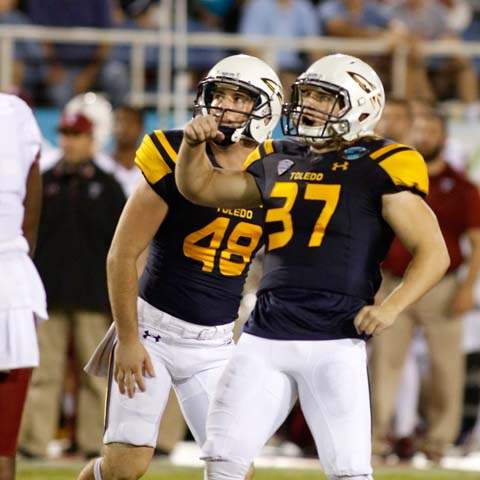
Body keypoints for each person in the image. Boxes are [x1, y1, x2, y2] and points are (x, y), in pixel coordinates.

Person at [174, 53, 450, 480]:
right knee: (223, 461)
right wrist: (192, 147)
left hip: (334, 337)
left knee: (349, 473)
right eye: (309, 96)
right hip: (265, 334)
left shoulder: (383, 162)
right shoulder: (281, 156)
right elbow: (201, 189)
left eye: (325, 98)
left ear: (360, 105)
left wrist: (392, 307)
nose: (311, 106)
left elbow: (434, 252)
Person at [77, 54, 283, 480]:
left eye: (238, 97)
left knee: (232, 468)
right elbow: (122, 252)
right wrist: (130, 339)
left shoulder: (279, 170)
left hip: (215, 342)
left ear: (264, 109)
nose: (223, 106)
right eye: (218, 94)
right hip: (153, 331)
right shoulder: (172, 151)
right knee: (124, 466)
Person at [371, 109, 480, 462]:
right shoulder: (393, 178)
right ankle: (376, 438)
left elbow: (477, 242)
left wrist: (467, 288)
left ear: (443, 138)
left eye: (432, 130)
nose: (424, 136)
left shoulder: (462, 186)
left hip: (443, 286)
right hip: (393, 281)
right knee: (383, 363)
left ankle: (437, 442)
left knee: (445, 367)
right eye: (419, 129)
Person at [19, 112, 126, 459]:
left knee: (95, 378)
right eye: (64, 133)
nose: (68, 141)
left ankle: (92, 444)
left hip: (94, 296)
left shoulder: (109, 187)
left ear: (91, 139)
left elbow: (121, 245)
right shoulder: (45, 181)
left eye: (75, 134)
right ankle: (33, 443)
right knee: (41, 373)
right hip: (48, 293)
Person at [0, 94, 47, 480]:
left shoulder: (16, 113)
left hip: (11, 281)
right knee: (3, 445)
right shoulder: (15, 113)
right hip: (11, 286)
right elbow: (30, 216)